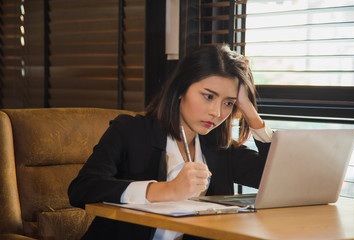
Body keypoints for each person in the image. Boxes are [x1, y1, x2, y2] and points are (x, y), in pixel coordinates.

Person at [68, 45, 273, 240]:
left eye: (228, 102)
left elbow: (274, 179)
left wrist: (249, 110)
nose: (217, 112)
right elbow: (82, 189)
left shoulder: (219, 149)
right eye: (208, 96)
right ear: (181, 89)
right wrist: (167, 190)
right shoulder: (130, 130)